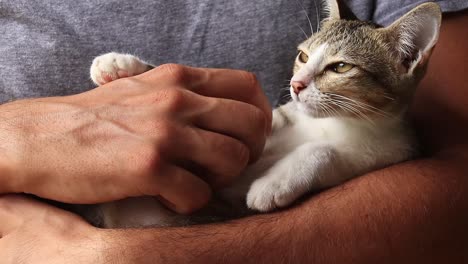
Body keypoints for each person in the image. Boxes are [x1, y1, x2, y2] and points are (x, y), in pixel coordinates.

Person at [0, 0, 467, 263]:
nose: (299, 83)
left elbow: (456, 182)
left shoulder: (381, 142)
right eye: (304, 57)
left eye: (338, 67)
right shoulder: (296, 117)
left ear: (407, 60)